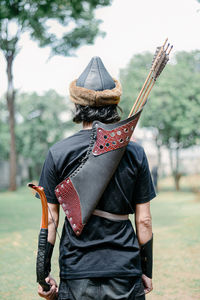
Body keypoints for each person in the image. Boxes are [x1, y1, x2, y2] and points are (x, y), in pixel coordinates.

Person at [36, 56, 156, 300]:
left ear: (78, 105)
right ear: (113, 104)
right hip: (125, 270)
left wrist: (43, 275)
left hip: (76, 272)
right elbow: (143, 221)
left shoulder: (58, 152)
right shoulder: (135, 152)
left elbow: (50, 220)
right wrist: (146, 269)